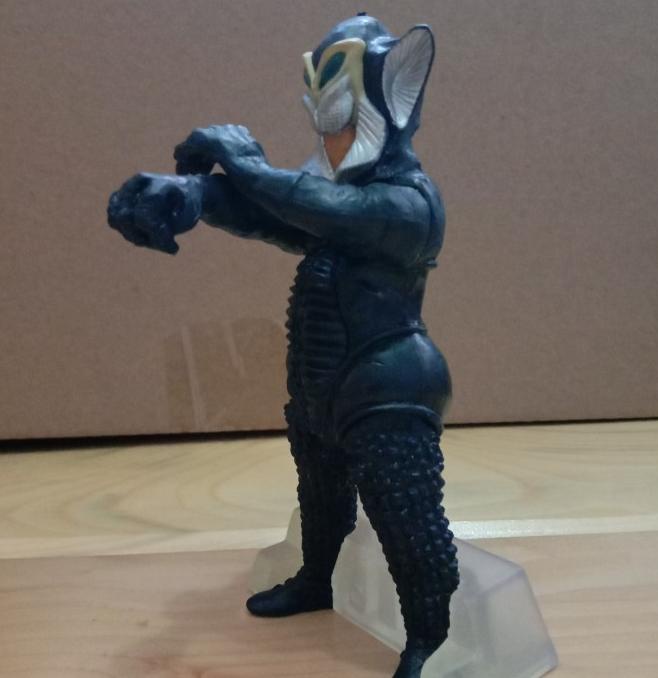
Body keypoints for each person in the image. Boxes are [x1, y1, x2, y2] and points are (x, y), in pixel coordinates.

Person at [108, 14, 459, 678]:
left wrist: (242, 162)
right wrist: (192, 194)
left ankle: (429, 636)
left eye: (340, 116)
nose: (330, 137)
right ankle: (316, 582)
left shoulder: (411, 204)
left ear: (389, 104)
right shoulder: (339, 198)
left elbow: (317, 210)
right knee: (321, 498)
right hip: (325, 388)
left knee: (407, 520)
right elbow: (281, 215)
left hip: (390, 389)